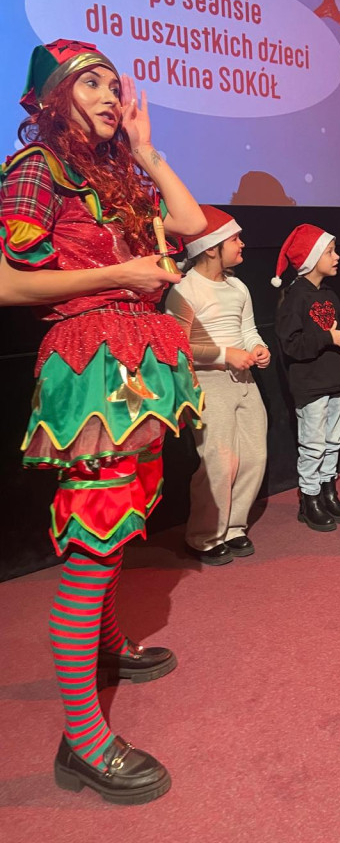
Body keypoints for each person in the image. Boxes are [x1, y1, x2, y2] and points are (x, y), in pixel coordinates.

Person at [0, 40, 205, 803]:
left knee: (122, 519)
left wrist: (146, 153)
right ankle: (82, 743)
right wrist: (121, 273)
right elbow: (5, 284)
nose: (111, 95)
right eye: (91, 82)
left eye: (115, 84)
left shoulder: (116, 173)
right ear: (53, 97)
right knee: (93, 538)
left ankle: (111, 645)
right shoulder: (35, 169)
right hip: (92, 365)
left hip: (139, 358)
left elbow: (192, 223)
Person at [165, 205, 271, 565]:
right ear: (211, 247)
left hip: (244, 378)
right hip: (208, 382)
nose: (242, 244)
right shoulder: (184, 290)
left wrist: (258, 348)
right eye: (235, 239)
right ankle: (204, 536)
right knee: (219, 461)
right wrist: (226, 355)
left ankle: (234, 527)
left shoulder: (238, 287)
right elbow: (176, 346)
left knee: (254, 456)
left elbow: (248, 329)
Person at [273, 224, 340, 532]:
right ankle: (309, 499)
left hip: (334, 381)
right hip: (311, 385)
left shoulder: (329, 294)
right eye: (330, 252)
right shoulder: (295, 298)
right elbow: (291, 344)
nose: (337, 257)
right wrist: (327, 338)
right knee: (313, 445)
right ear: (311, 258)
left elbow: (332, 334)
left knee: (333, 441)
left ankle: (328, 492)